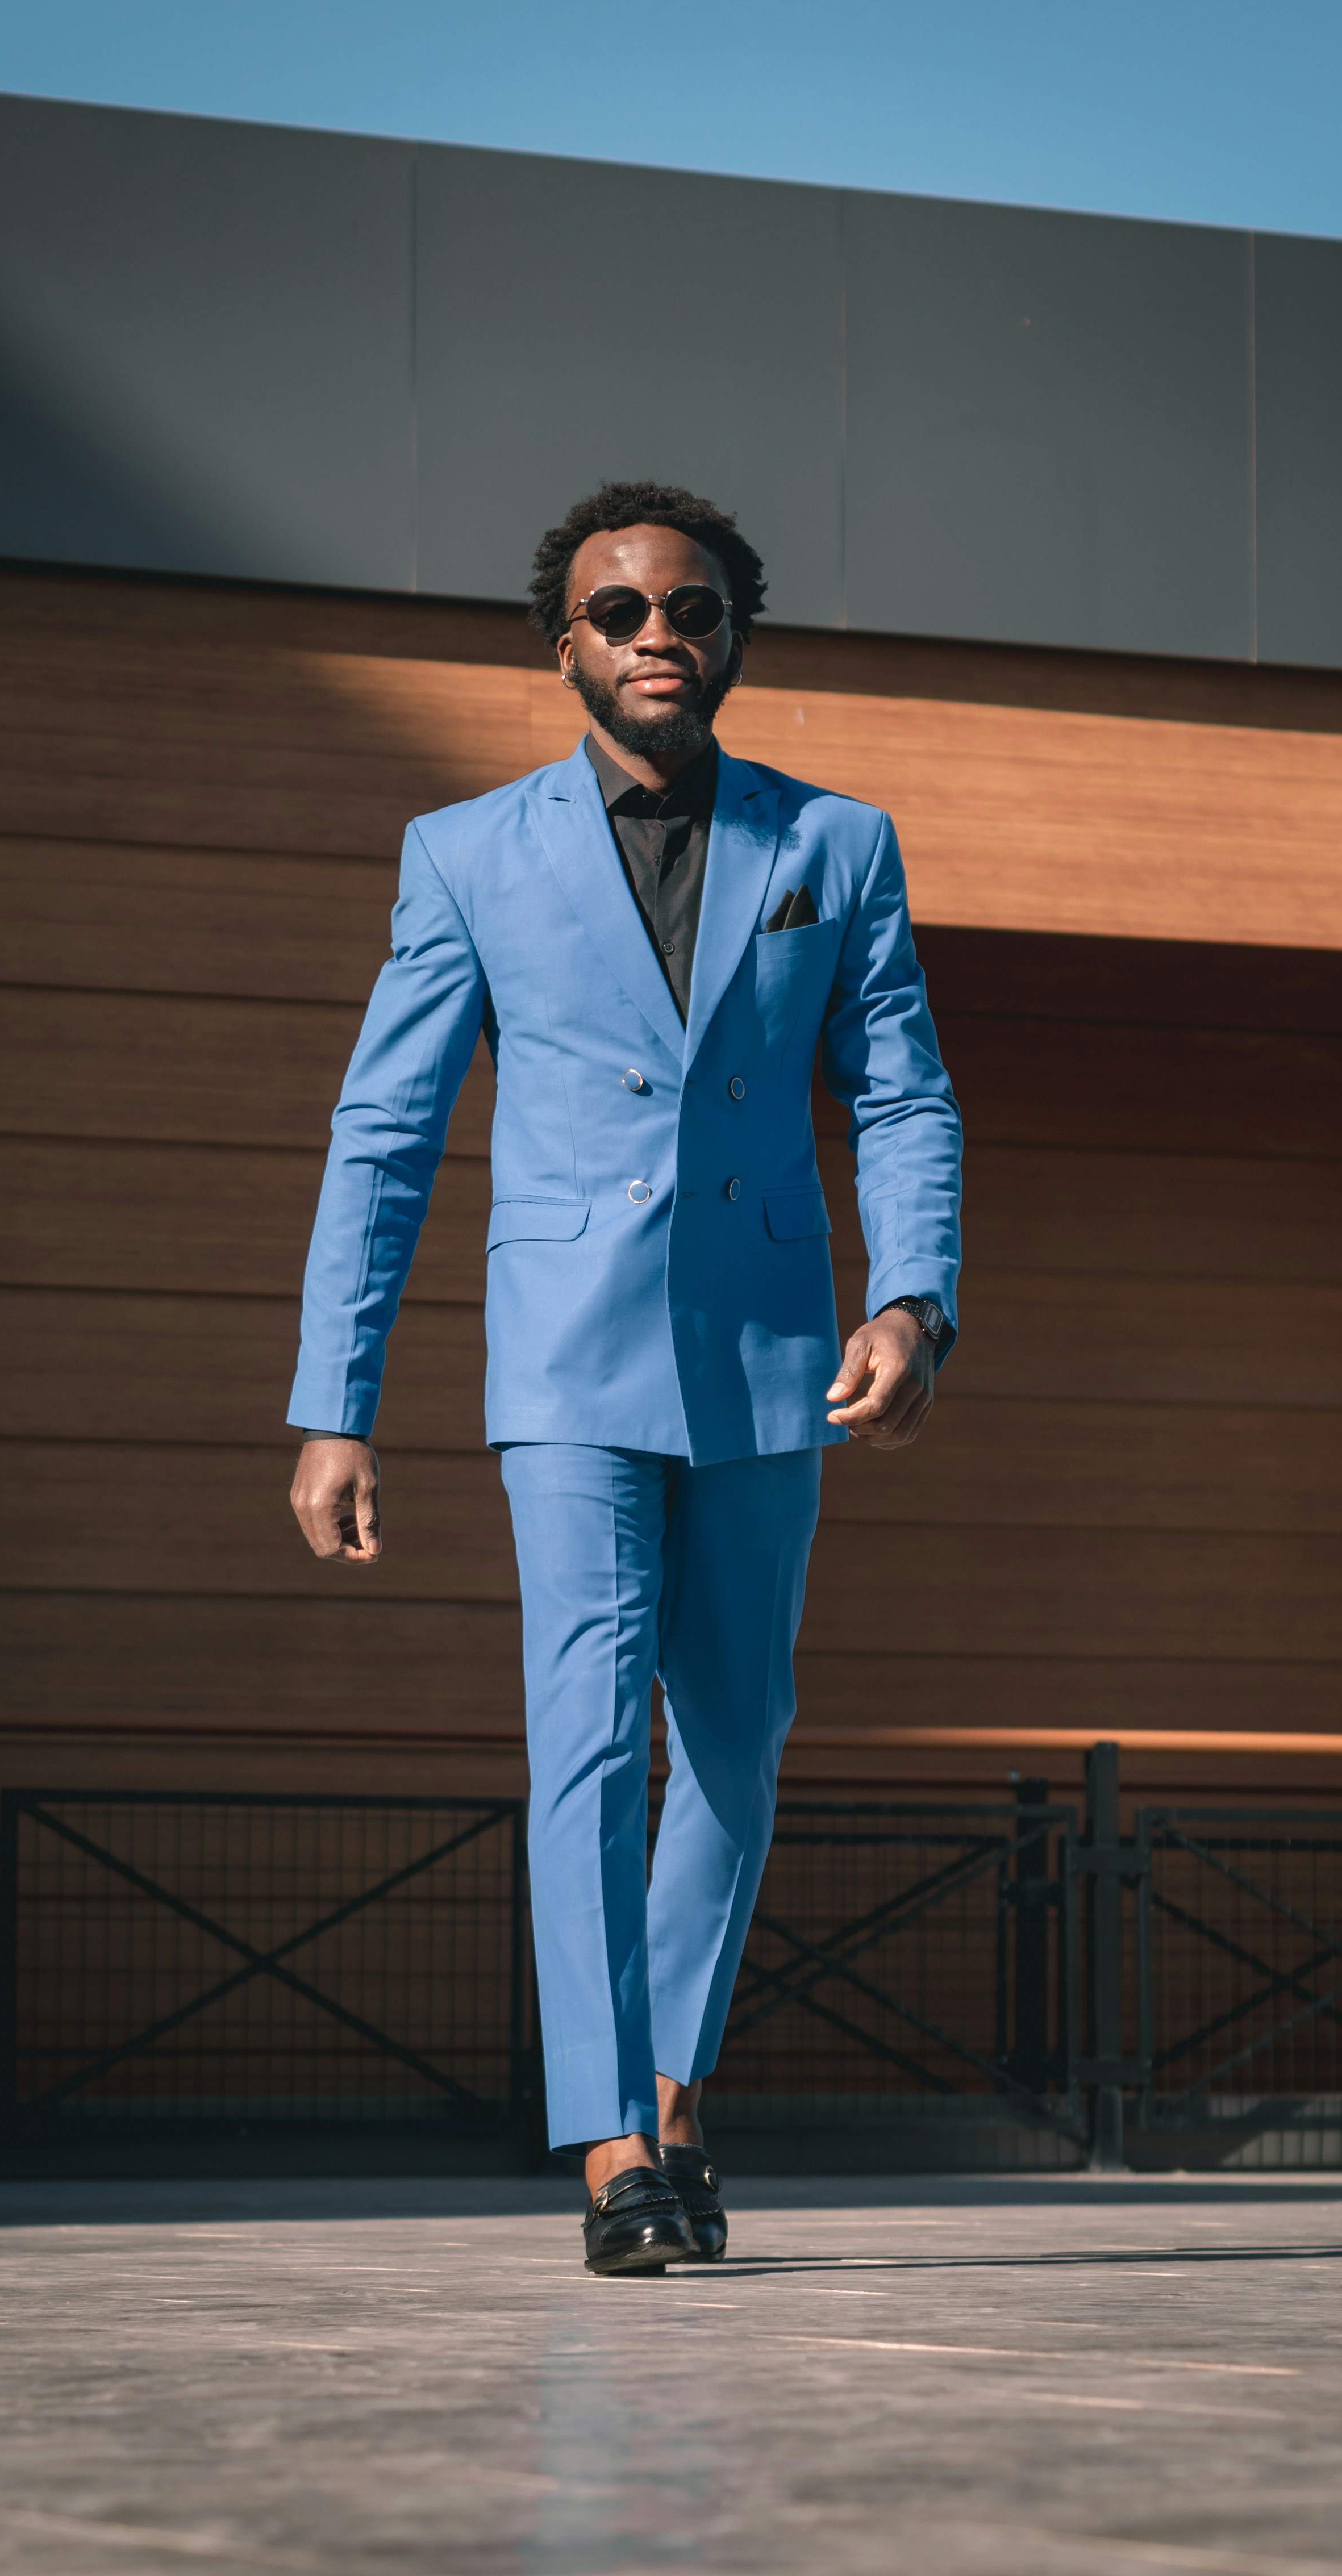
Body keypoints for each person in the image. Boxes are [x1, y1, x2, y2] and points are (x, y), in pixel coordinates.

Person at [286, 480, 962, 2273]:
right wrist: (333, 1402)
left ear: (736, 634)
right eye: (617, 609)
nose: (656, 630)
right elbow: (386, 1132)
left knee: (735, 1748)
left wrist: (913, 1301)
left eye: (691, 606)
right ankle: (613, 2151)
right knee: (584, 1743)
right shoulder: (466, 853)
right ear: (561, 642)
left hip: (771, 1359)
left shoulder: (841, 844)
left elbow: (900, 1092)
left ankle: (669, 2085)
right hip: (569, 1366)